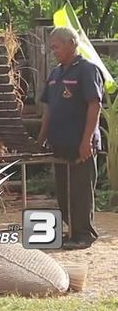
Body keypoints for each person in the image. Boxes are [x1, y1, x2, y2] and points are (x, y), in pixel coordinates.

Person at [37, 26, 102, 250]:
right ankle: (71, 230)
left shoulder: (87, 69)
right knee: (64, 192)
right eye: (52, 47)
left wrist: (87, 141)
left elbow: (95, 104)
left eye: (56, 46)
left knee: (80, 190)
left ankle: (84, 234)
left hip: (79, 142)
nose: (53, 50)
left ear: (72, 44)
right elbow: (49, 109)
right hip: (59, 141)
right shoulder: (55, 74)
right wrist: (40, 140)